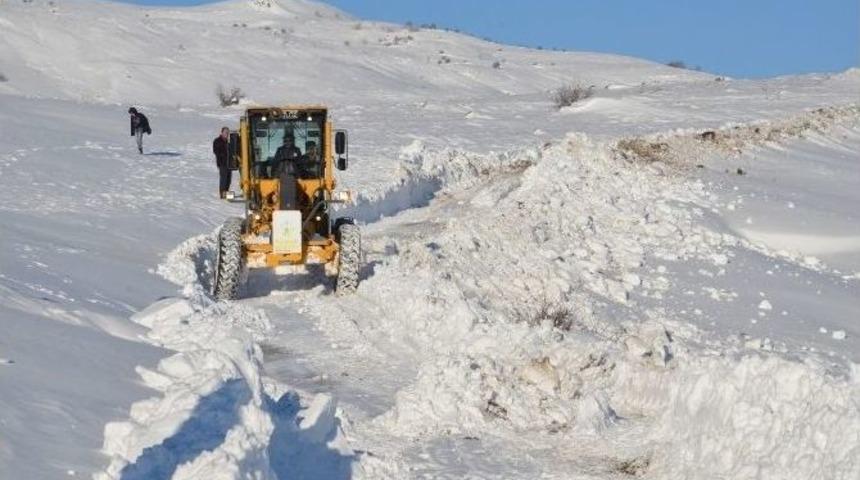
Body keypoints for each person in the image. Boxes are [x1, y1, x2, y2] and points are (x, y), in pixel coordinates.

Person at [213, 127, 232, 199]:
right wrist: (222, 155)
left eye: (228, 133)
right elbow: (216, 151)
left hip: (229, 163)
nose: (227, 134)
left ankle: (226, 192)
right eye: (225, 132)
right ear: (222, 133)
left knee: (228, 179)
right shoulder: (217, 141)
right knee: (223, 178)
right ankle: (222, 193)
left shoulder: (228, 141)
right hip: (222, 163)